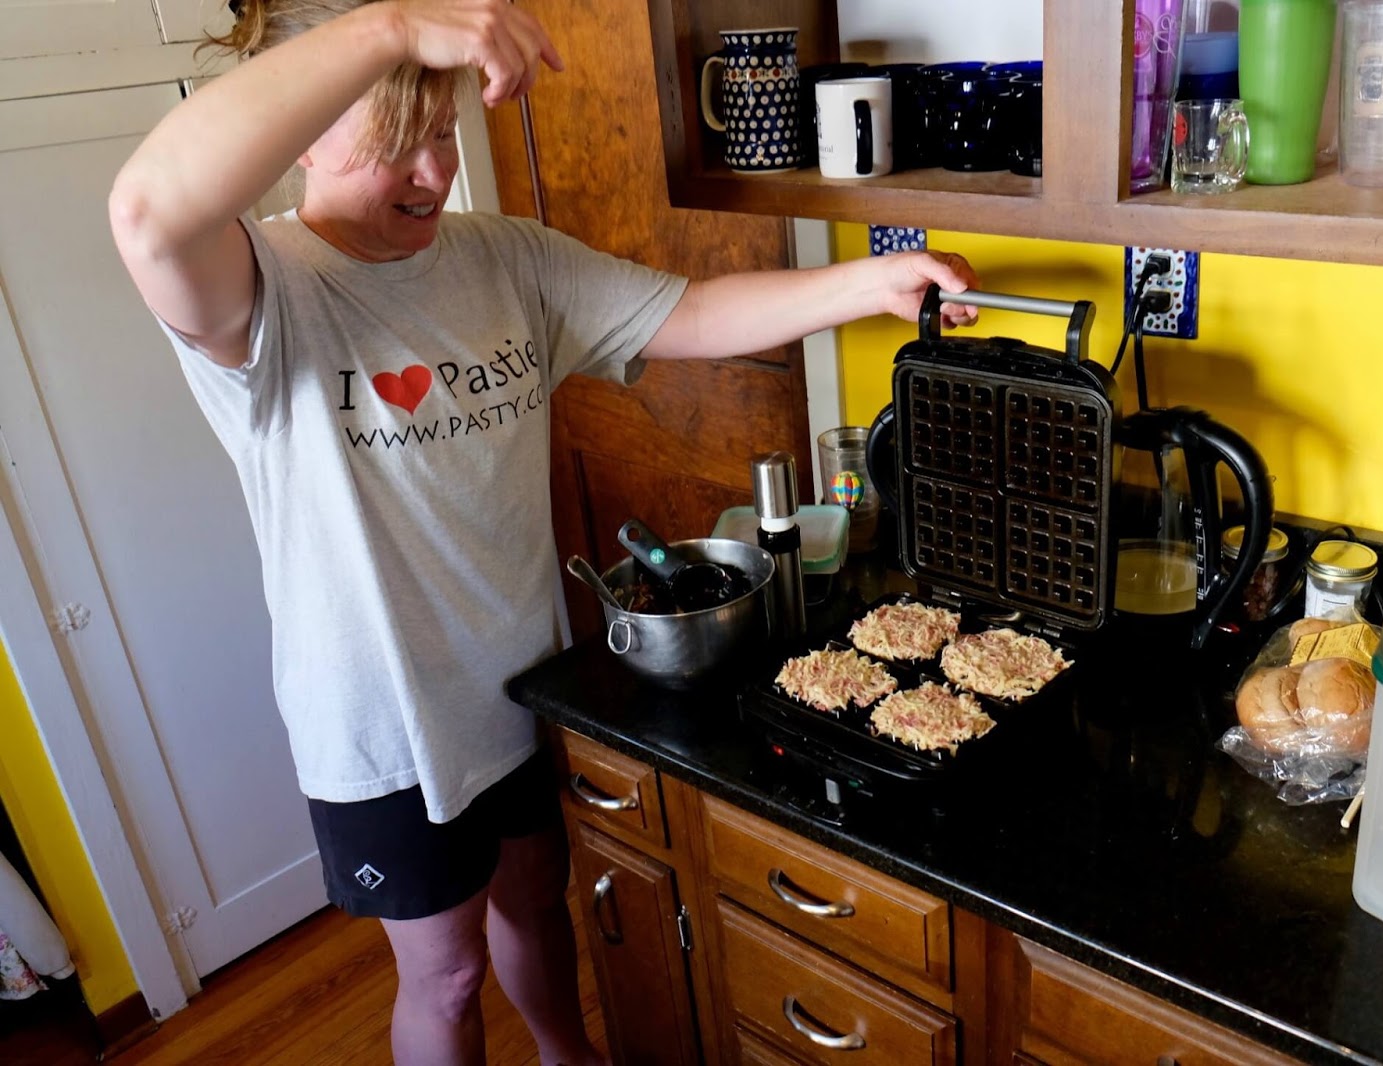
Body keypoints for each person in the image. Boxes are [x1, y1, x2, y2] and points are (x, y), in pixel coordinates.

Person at [107, 1, 979, 1063]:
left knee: (537, 904)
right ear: (302, 135)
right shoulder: (261, 291)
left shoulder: (504, 259)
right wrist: (389, 28)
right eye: (395, 144)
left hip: (523, 681)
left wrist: (870, 282)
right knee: (446, 973)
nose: (433, 172)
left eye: (442, 132)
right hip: (384, 724)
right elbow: (147, 212)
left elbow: (687, 312)